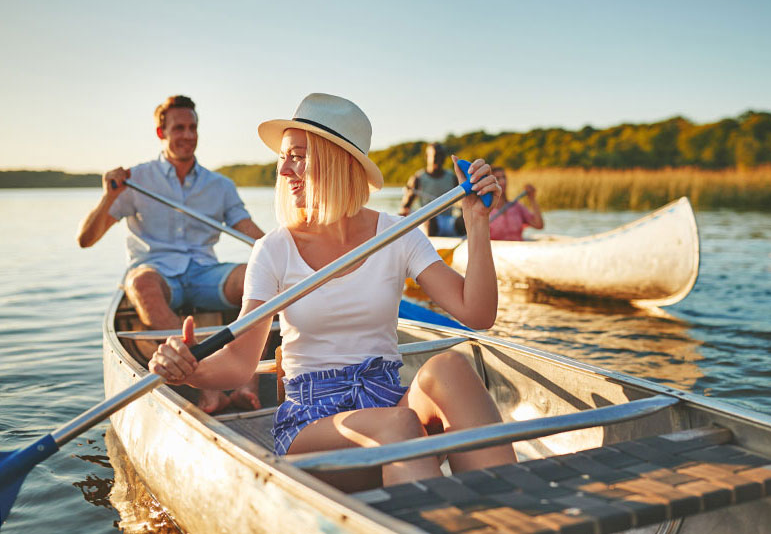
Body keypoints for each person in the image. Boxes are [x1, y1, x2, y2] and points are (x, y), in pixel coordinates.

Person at [148, 92, 516, 492]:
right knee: (398, 425)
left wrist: (478, 222)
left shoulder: (397, 234)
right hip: (312, 426)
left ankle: (511, 513)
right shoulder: (273, 249)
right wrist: (190, 368)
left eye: (298, 156)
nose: (284, 170)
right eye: (283, 157)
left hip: (389, 404)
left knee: (451, 368)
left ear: (336, 162)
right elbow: (239, 363)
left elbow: (477, 314)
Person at [77, 95, 266, 414]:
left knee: (257, 274)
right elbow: (86, 239)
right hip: (156, 275)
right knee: (141, 284)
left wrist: (289, 256)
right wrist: (109, 197)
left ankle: (248, 384)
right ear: (161, 133)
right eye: (179, 128)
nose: (188, 135)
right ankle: (208, 384)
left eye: (193, 128)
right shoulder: (134, 181)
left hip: (205, 273)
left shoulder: (219, 185)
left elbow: (250, 232)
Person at [398, 142, 463, 236]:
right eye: (436, 156)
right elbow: (405, 207)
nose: (439, 159)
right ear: (427, 157)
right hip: (427, 222)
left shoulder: (452, 177)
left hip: (448, 220)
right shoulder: (418, 178)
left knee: (464, 220)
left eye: (442, 155)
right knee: (430, 218)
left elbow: (463, 204)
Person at [488, 167, 544, 241]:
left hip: (518, 250)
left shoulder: (517, 207)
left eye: (504, 177)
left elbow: (539, 225)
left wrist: (532, 198)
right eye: (497, 179)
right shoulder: (485, 210)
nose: (503, 182)